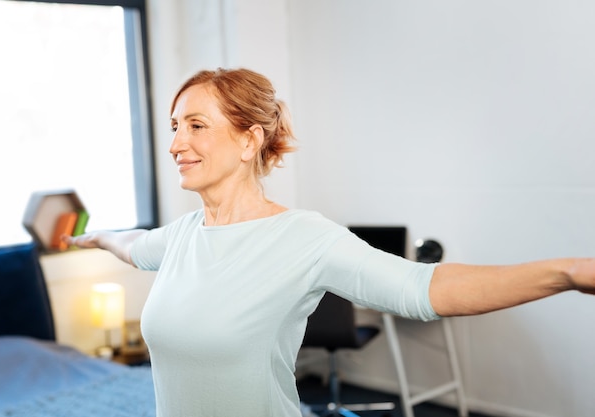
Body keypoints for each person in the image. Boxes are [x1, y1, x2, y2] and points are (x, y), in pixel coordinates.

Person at [64, 67, 595, 417]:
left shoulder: (302, 236)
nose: (177, 144)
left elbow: (423, 287)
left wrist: (567, 273)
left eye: (197, 126)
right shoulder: (179, 237)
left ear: (250, 140)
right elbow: (132, 243)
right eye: (175, 126)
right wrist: (96, 236)